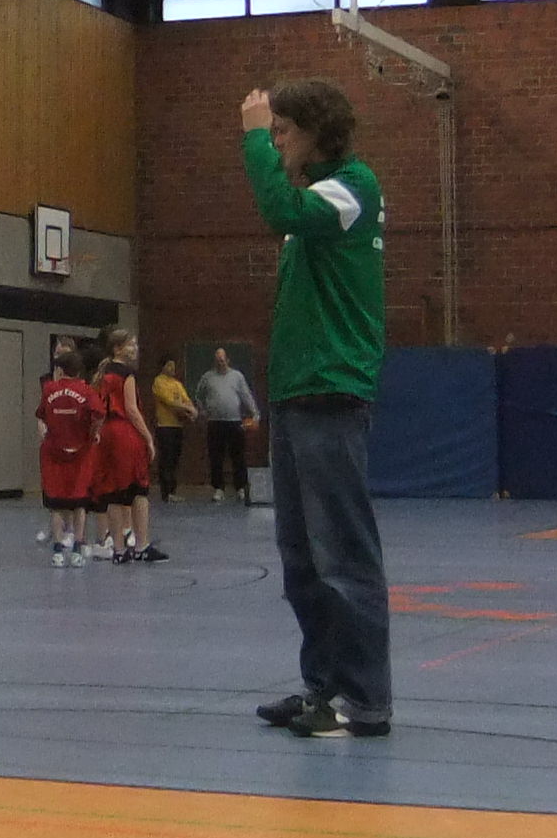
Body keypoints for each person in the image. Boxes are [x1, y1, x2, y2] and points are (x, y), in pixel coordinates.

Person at [241, 80, 392, 738]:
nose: (275, 142)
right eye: (270, 132)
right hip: (295, 392)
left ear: (315, 131)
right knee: (301, 557)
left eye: (282, 131)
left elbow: (278, 208)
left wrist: (250, 135)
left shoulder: (353, 188)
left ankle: (365, 700)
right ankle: (323, 687)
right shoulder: (316, 204)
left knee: (343, 556)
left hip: (331, 390)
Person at [92, 332, 162, 563]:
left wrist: (96, 433)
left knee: (113, 493)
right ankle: (142, 545)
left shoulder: (103, 374)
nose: (135, 348)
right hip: (124, 431)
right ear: (117, 348)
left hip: (106, 433)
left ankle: (119, 551)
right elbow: (131, 409)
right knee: (139, 489)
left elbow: (98, 410)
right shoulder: (126, 374)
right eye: (130, 345)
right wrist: (148, 437)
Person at [36, 344, 98, 564]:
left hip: (54, 451)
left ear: (60, 370)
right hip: (80, 452)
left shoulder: (49, 389)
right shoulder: (87, 391)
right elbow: (99, 413)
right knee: (79, 501)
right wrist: (92, 433)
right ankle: (78, 548)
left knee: (56, 502)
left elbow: (42, 415)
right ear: (79, 371)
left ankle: (58, 549)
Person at [193, 349, 260, 503]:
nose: (220, 363)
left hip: (234, 422)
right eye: (218, 360)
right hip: (215, 422)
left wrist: (255, 413)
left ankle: (240, 487)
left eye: (222, 360)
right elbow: (198, 396)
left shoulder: (237, 376)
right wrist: (202, 411)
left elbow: (246, 395)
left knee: (238, 456)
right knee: (216, 456)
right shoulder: (207, 377)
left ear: (228, 360)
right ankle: (218, 488)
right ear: (214, 361)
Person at [147, 354, 193, 500]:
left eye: (173, 366)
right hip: (164, 426)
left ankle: (173, 490)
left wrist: (191, 408)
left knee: (175, 459)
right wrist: (188, 408)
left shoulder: (177, 384)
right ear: (163, 367)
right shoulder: (159, 382)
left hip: (177, 425)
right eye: (169, 365)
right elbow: (169, 401)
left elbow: (186, 399)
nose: (172, 368)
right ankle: (166, 492)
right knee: (166, 458)